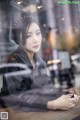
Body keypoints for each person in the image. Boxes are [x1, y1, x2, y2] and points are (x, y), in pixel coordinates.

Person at [0, 15, 79, 112]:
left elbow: (46, 87)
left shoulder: (39, 61)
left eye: (38, 33)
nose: (36, 39)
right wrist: (52, 104)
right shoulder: (14, 61)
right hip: (11, 112)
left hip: (35, 110)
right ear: (19, 39)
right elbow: (18, 98)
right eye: (28, 36)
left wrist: (66, 95)